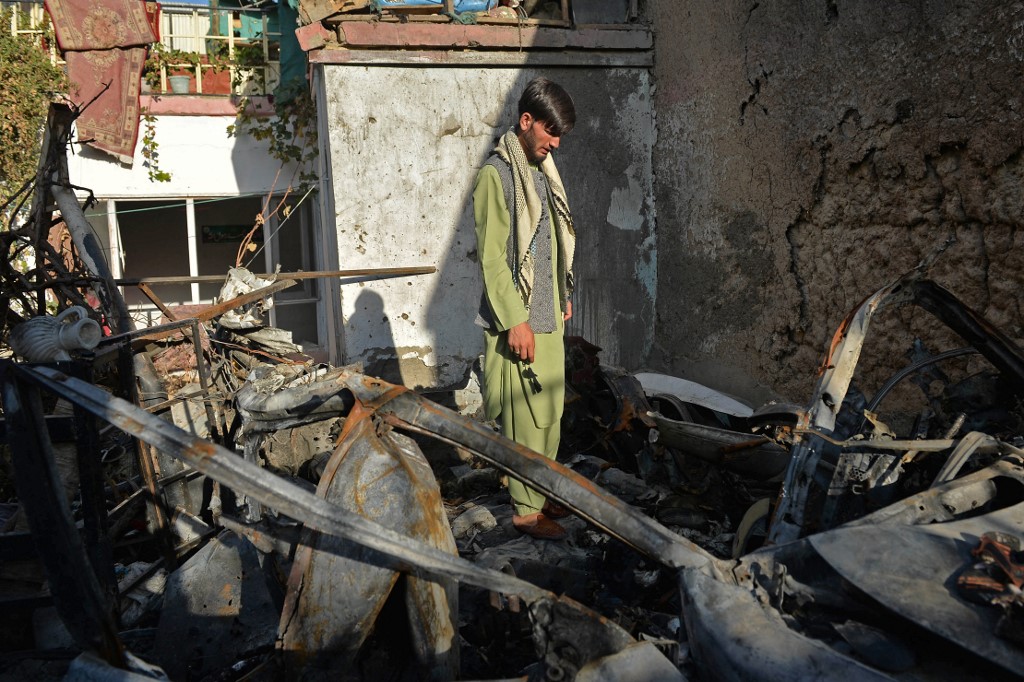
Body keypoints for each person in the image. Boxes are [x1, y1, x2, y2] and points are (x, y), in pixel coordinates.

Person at [473, 77, 577, 540]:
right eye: (549, 132)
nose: (554, 143)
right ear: (526, 121)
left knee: (550, 410)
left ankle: (542, 486)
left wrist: (560, 293)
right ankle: (525, 508)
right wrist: (515, 319)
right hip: (518, 318)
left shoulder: (542, 173)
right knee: (524, 415)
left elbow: (548, 242)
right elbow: (494, 257)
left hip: (548, 312)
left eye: (560, 136)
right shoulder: (496, 175)